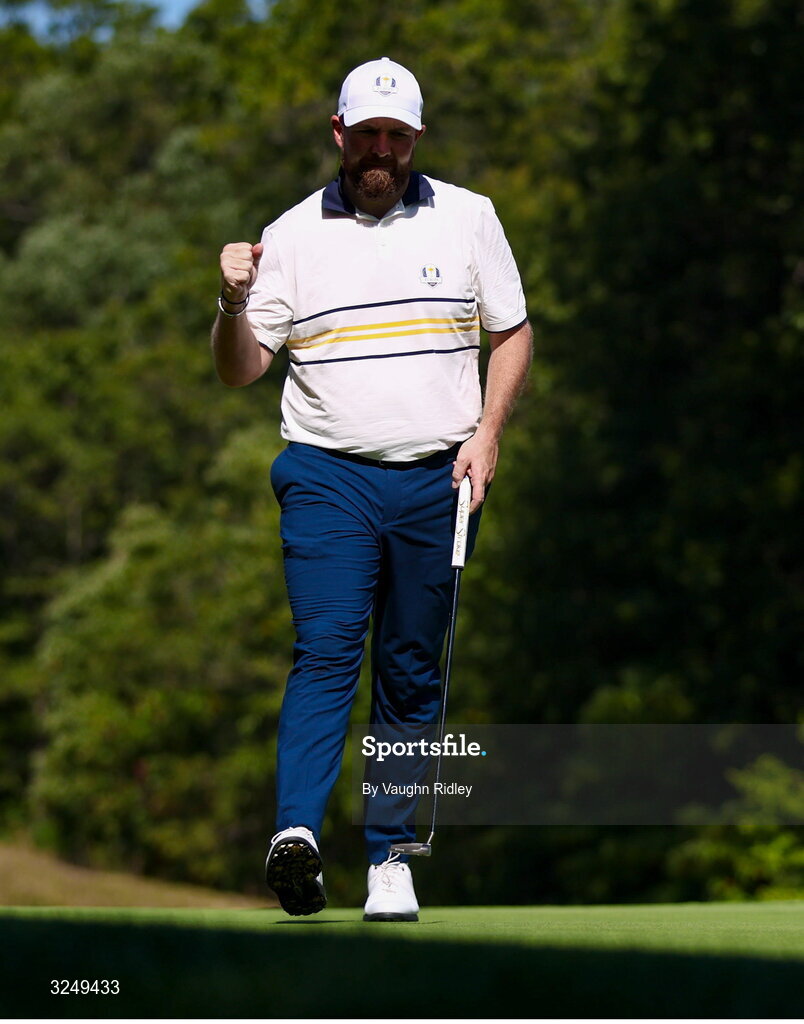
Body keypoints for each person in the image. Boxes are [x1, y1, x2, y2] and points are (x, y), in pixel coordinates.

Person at [212, 57, 532, 921]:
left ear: (416, 137)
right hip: (328, 475)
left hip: (439, 477)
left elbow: (511, 332)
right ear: (339, 135)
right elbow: (241, 371)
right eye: (366, 135)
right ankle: (298, 837)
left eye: (396, 135)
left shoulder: (470, 218)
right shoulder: (291, 236)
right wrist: (231, 301)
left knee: (410, 668)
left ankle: (390, 856)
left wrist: (490, 431)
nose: (380, 151)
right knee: (325, 652)